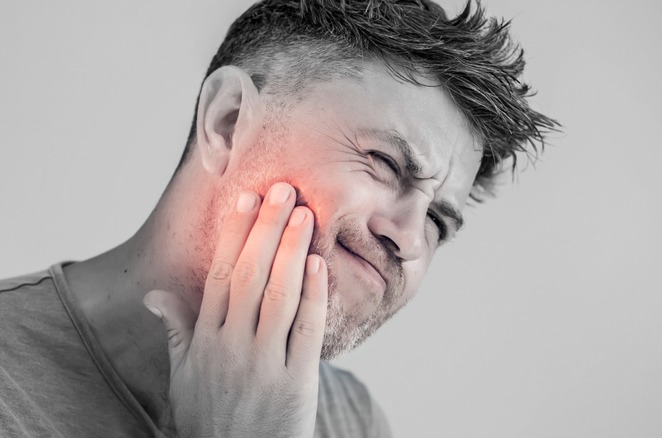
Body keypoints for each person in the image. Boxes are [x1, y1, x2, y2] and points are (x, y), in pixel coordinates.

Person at [0, 0, 555, 436]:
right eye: (384, 163)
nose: (409, 239)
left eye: (437, 220)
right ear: (228, 121)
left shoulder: (354, 423)